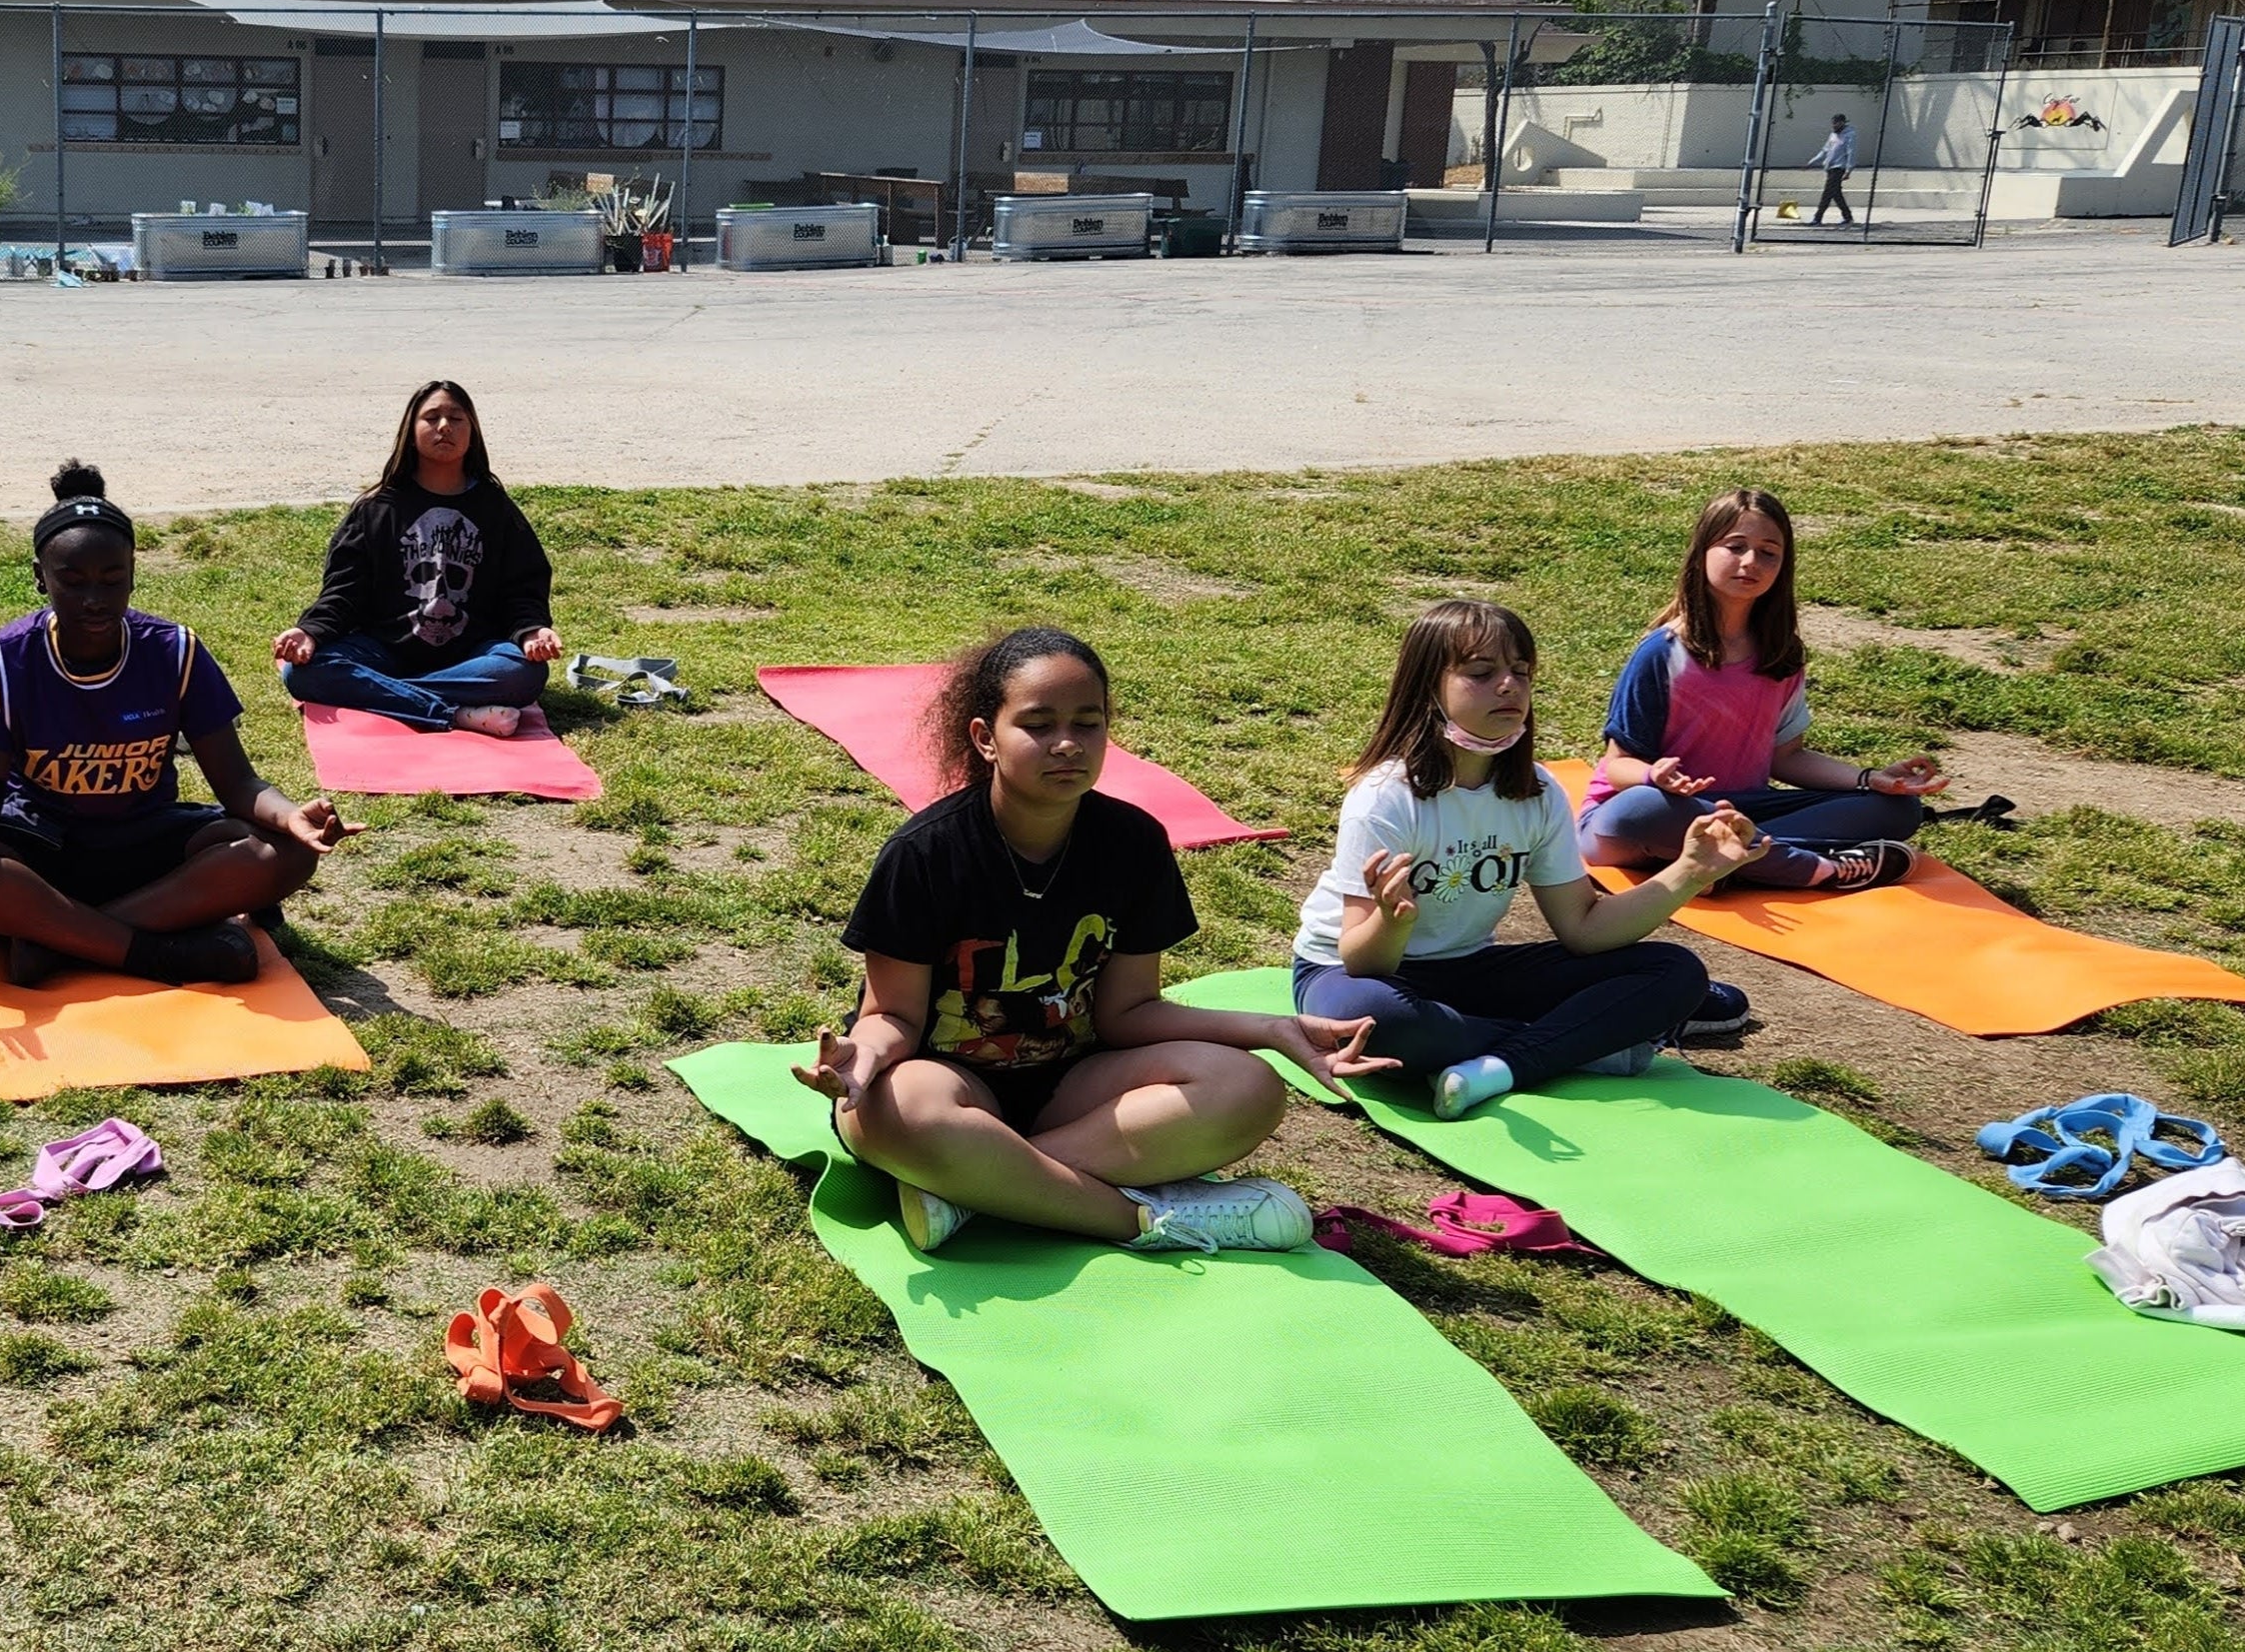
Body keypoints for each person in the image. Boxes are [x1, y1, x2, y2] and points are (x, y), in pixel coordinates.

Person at [797, 625, 1392, 1256]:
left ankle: (976, 1187)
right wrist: (863, 1056)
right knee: (900, 1112)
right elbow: (894, 1015)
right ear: (985, 738)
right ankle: (1144, 1220)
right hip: (946, 1082)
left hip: (1072, 1088)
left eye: (1087, 723)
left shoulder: (1134, 843)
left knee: (1249, 1088)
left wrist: (1273, 1030)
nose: (1066, 744)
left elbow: (1128, 1012)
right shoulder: (924, 853)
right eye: (1037, 725)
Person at [1291, 598, 1765, 1121]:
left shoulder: (1537, 791)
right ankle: (1578, 1045)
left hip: (1467, 971)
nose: (1509, 686)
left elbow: (1584, 929)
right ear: (1428, 687)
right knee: (1377, 1024)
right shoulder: (1385, 796)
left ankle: (1500, 1065)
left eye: (1521, 672)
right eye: (1481, 673)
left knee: (1675, 970)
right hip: (1356, 975)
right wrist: (1392, 921)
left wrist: (1691, 871)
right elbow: (1363, 962)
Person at [0, 461, 348, 987]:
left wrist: (291, 816)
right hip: (41, 847)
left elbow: (238, 783)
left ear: (133, 574)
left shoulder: (174, 650)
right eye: (72, 582)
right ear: (40, 577)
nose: (94, 599)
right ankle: (157, 953)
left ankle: (59, 943)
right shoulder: (2, 659)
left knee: (289, 852)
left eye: (112, 580)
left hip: (146, 845)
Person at [1580, 489, 1942, 894]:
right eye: (1735, 547)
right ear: (1701, 553)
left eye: (1768, 552)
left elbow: (1786, 757)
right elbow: (1618, 766)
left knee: (1897, 808)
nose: (1751, 561)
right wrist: (1654, 776)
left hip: (1743, 811)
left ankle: (1723, 863)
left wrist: (1871, 779)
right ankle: (1818, 869)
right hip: (1651, 813)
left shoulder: (1781, 654)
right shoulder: (1663, 652)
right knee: (1641, 808)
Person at [273, 380, 563, 735]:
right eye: (432, 417)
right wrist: (310, 631)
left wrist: (531, 629)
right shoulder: (376, 509)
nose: (444, 426)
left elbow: (522, 586)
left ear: (472, 432)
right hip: (384, 651)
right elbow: (344, 590)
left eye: (456, 418)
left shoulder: (496, 509)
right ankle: (455, 713)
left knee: (522, 672)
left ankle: (386, 693)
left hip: (471, 655)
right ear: (410, 432)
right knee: (302, 671)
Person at [1809, 114, 1857, 225]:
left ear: (1842, 123)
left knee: (1827, 193)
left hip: (1839, 168)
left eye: (1836, 123)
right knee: (1836, 194)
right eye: (1833, 123)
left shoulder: (1849, 135)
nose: (1834, 125)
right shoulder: (1833, 135)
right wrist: (1812, 162)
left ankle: (1817, 218)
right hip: (1830, 167)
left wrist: (1848, 170)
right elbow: (1825, 150)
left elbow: (1851, 152)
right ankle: (1848, 217)